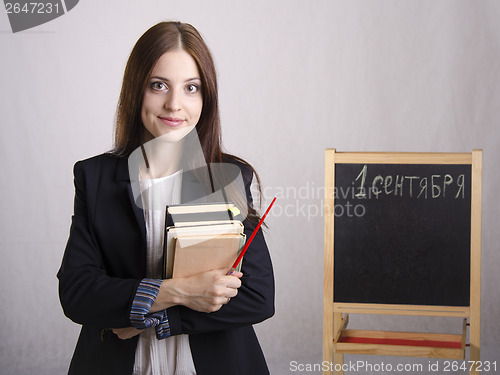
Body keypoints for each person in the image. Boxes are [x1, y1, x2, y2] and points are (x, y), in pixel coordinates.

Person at [57, 21, 275, 375]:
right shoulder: (93, 177)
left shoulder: (229, 176)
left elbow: (258, 296)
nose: (175, 104)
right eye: (158, 85)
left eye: (191, 88)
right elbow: (78, 292)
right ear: (136, 91)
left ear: (206, 98)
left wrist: (156, 319)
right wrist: (182, 291)